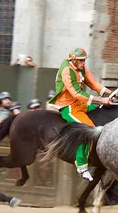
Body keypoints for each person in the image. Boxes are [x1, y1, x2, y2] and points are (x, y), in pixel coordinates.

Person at [48, 47, 112, 181]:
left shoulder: (80, 66)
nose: (84, 64)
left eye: (84, 61)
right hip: (69, 106)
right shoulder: (67, 70)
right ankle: (82, 166)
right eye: (81, 61)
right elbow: (77, 93)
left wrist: (110, 93)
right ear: (74, 60)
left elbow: (92, 83)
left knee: (100, 112)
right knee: (89, 130)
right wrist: (101, 99)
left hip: (81, 103)